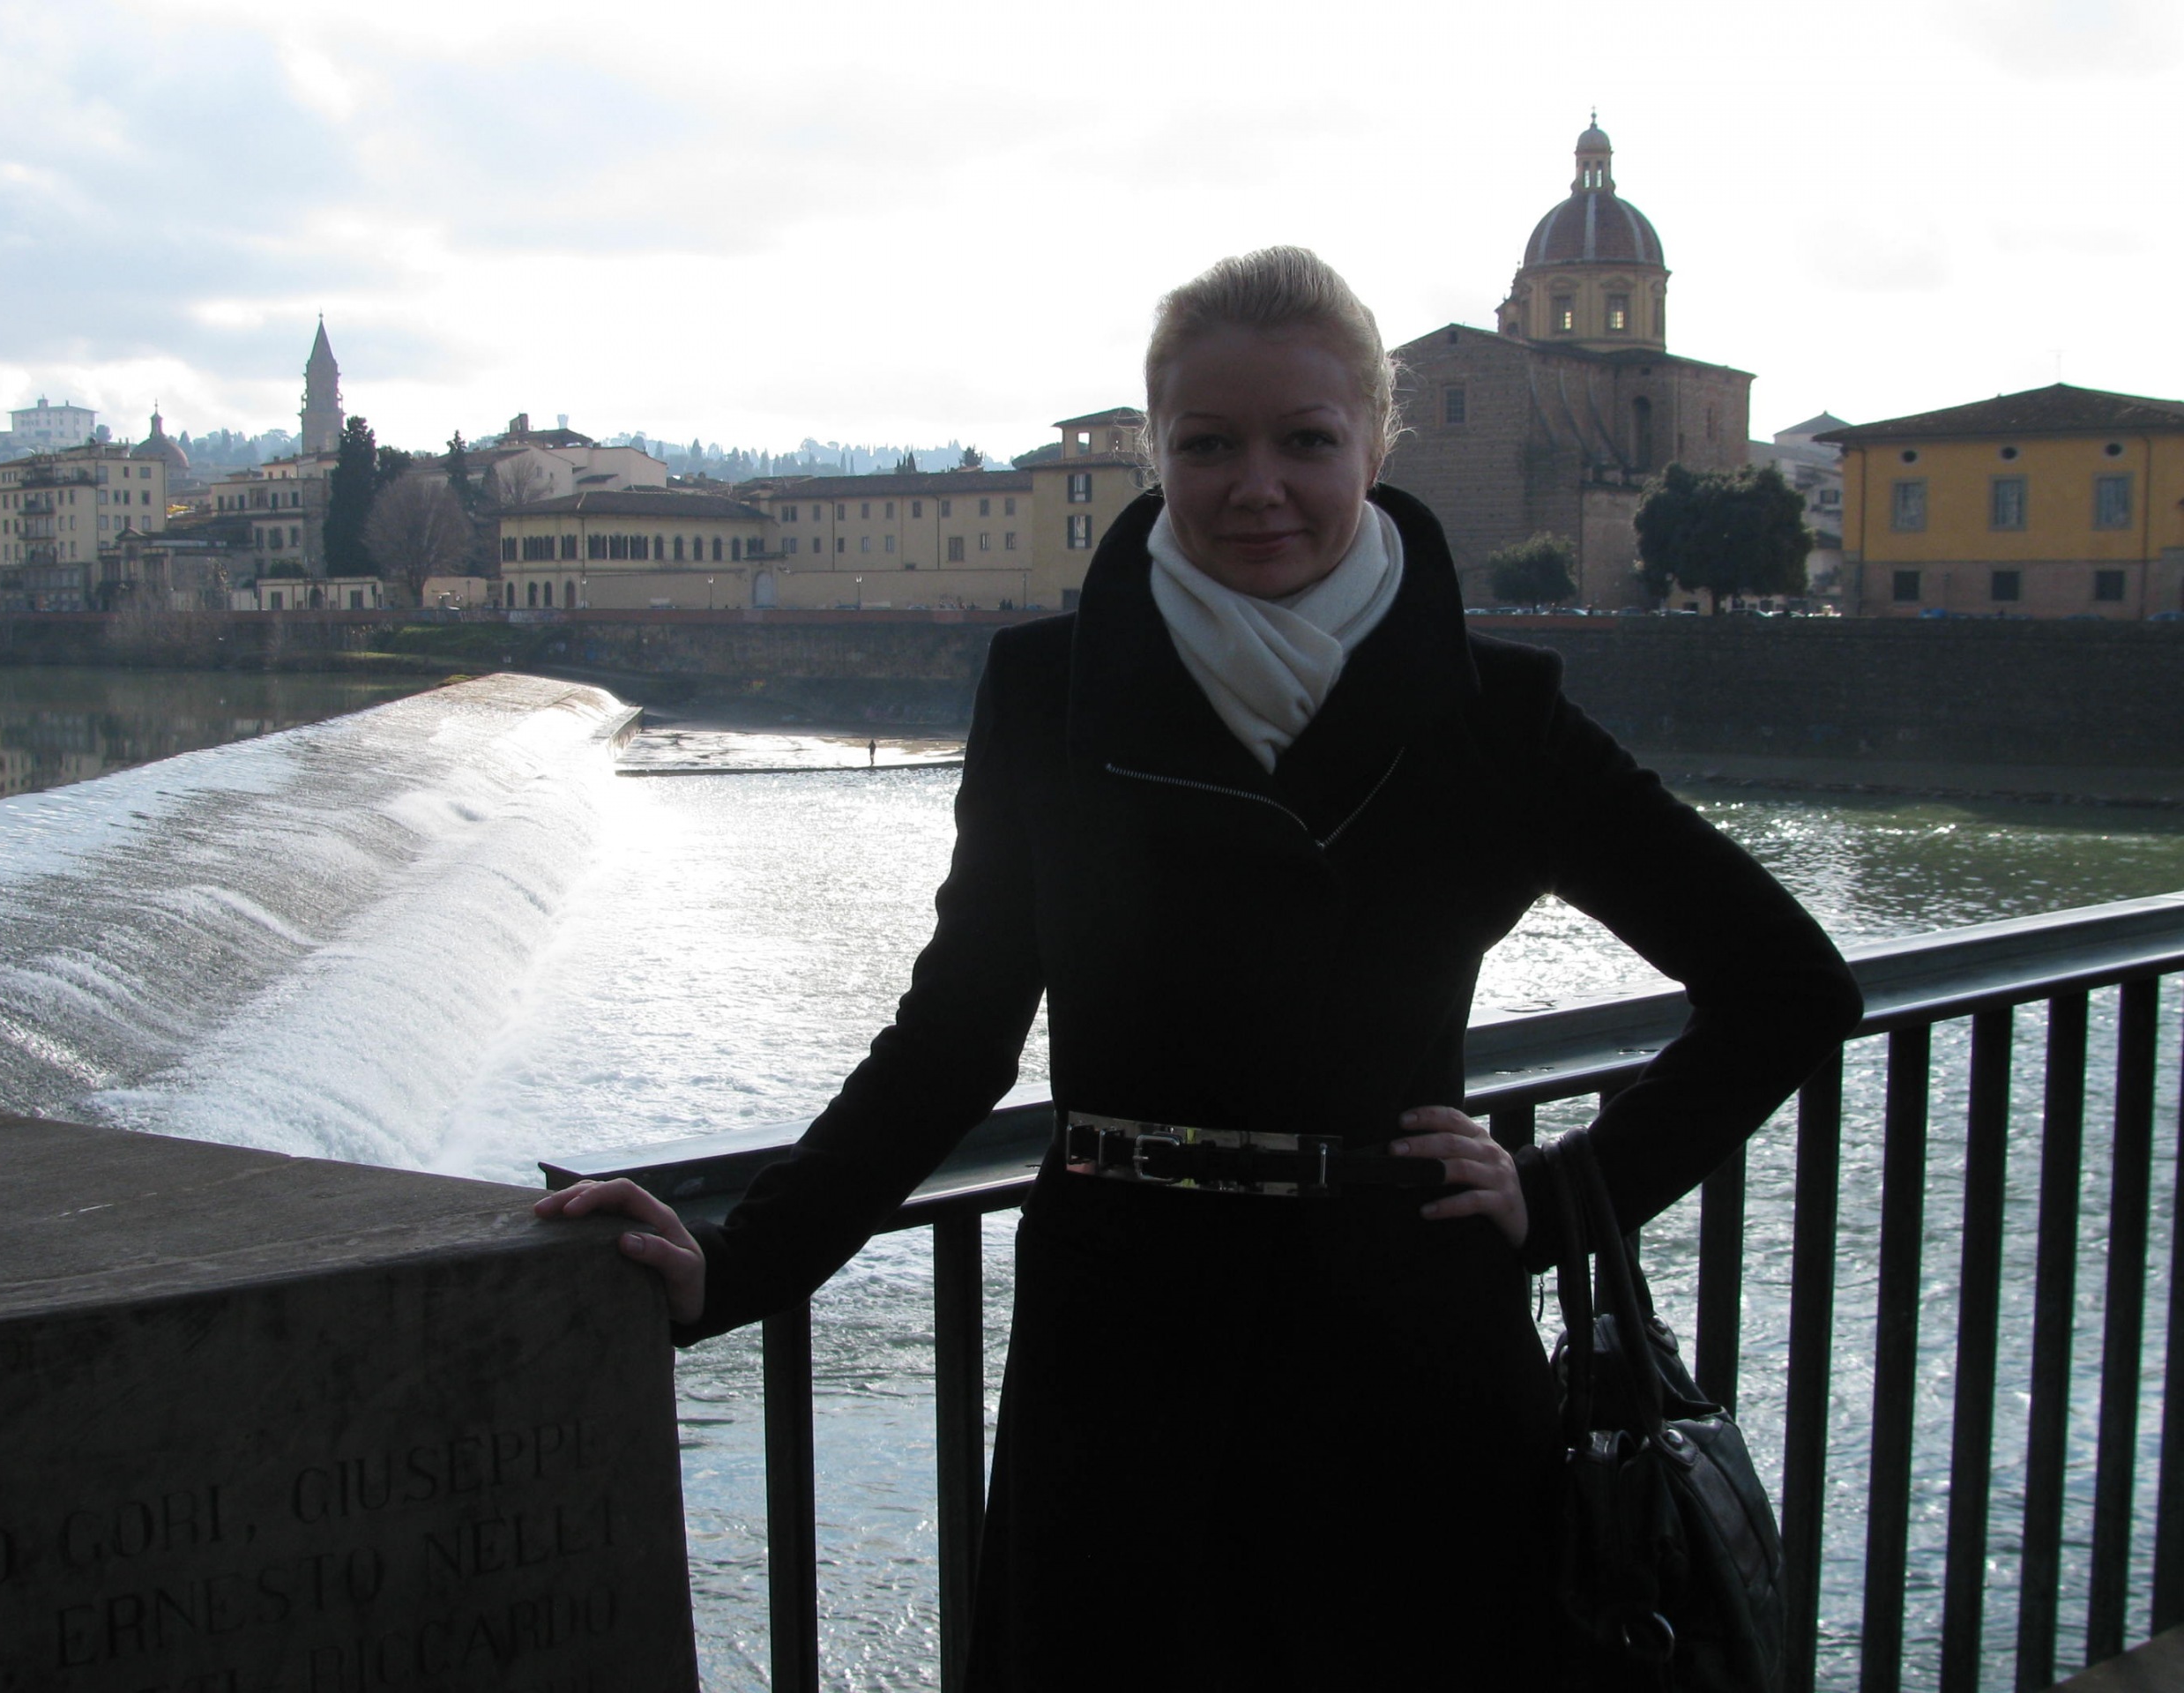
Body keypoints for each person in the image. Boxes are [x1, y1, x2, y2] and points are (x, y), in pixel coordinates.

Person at [539, 247, 1861, 1689]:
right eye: (1209, 444)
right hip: (1121, 1345)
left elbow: (1787, 987)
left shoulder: (1500, 716)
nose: (1258, 486)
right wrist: (738, 1263)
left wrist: (1556, 1199)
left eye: (1308, 442)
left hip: (1403, 1353)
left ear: (1377, 447)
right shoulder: (1047, 690)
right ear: (1155, 451)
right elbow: (954, 1039)